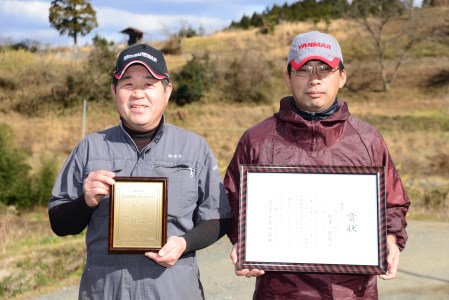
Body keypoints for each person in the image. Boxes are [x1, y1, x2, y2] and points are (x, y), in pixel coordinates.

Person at [224, 31, 410, 299]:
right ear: (287, 77)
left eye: (325, 68)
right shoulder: (258, 139)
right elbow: (232, 198)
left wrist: (391, 239)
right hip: (279, 292)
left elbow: (393, 202)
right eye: (304, 69)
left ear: (342, 76)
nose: (314, 78)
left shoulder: (367, 139)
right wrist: (243, 240)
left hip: (352, 292)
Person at [48, 43, 231, 299]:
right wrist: (85, 202)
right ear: (114, 91)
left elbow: (218, 218)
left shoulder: (194, 148)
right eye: (128, 84)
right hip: (105, 290)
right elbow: (59, 223)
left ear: (167, 91)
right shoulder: (89, 148)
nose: (138, 94)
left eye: (149, 84)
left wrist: (183, 243)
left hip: (173, 288)